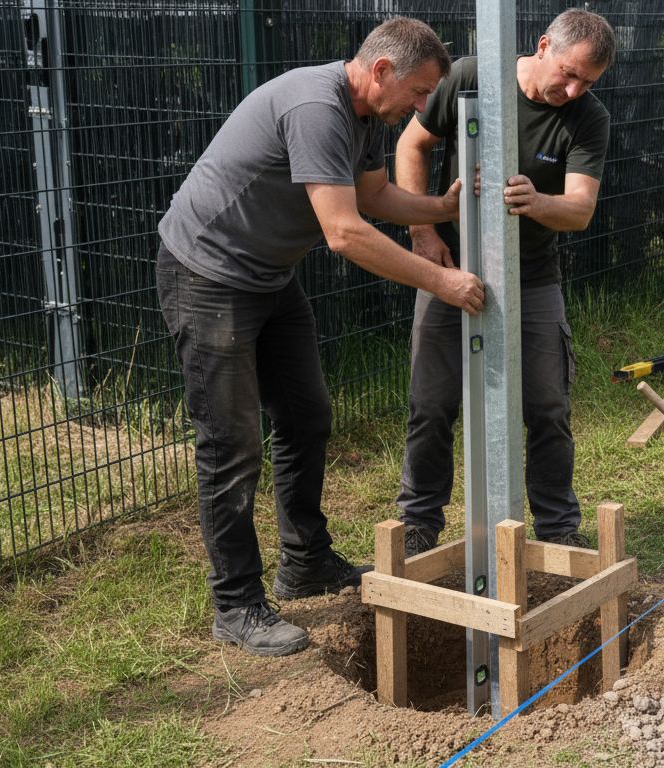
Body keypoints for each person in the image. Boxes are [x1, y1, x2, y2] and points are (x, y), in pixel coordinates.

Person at [156, 17, 484, 657]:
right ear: (381, 71)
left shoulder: (366, 114)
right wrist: (441, 282)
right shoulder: (317, 107)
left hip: (267, 276)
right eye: (419, 93)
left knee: (306, 416)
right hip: (206, 274)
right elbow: (344, 231)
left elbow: (374, 194)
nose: (423, 108)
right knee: (230, 444)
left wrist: (440, 210)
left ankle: (305, 561)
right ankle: (237, 604)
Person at [394, 9, 615, 556]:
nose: (573, 90)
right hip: (449, 268)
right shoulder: (471, 76)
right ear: (542, 46)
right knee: (431, 403)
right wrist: (423, 233)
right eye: (569, 73)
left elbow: (580, 209)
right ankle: (419, 525)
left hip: (532, 278)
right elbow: (410, 146)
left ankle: (557, 529)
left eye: (587, 82)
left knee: (548, 407)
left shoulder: (588, 118)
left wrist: (537, 202)